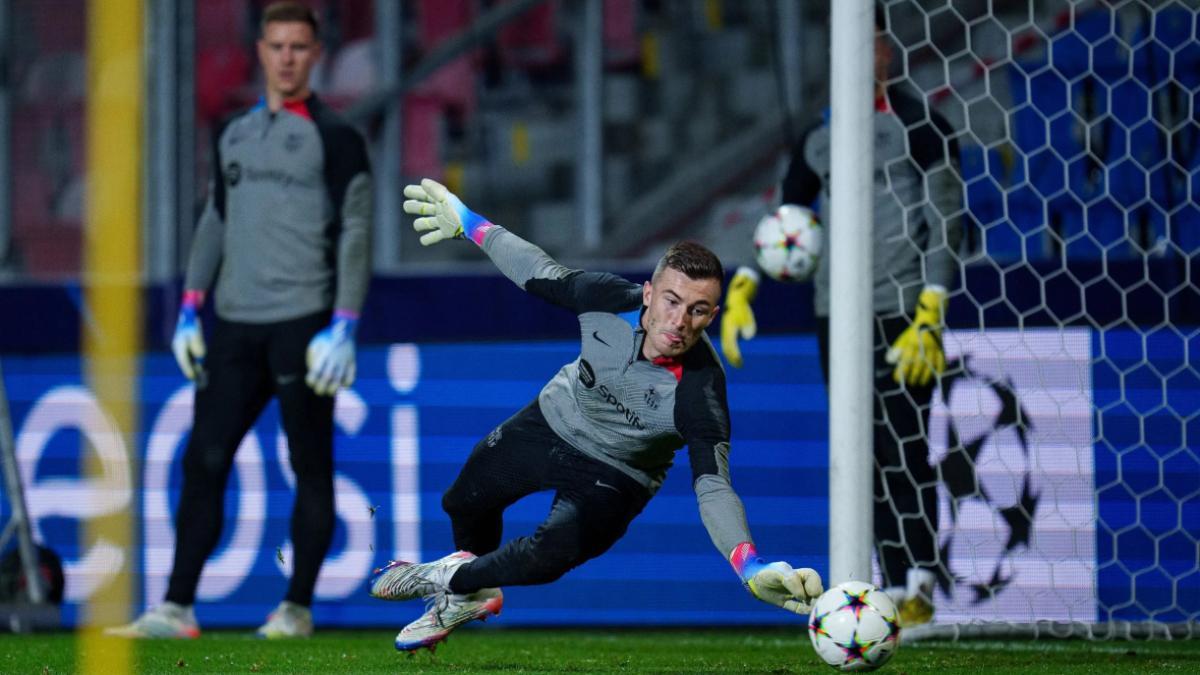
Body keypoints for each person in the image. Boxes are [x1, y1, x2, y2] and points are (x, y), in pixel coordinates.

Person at [368, 179, 823, 653]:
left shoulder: (701, 390)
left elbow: (713, 486)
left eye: (698, 310)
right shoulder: (607, 299)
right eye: (671, 301)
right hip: (550, 421)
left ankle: (454, 578)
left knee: (547, 556)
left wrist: (748, 565)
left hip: (616, 474)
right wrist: (469, 224)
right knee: (463, 502)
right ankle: (470, 592)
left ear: (712, 315)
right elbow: (537, 270)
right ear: (648, 293)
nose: (680, 322)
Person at [107, 1, 372, 639]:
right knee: (204, 459)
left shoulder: (337, 138)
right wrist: (190, 310)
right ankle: (175, 608)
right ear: (260, 50)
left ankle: (296, 609)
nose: (286, 58)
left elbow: (357, 231)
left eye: (298, 47)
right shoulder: (233, 134)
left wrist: (344, 323)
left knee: (308, 461)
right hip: (232, 322)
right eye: (276, 46)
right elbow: (215, 222)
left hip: (303, 322)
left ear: (316, 54)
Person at [721, 6, 962, 627]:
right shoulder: (820, 134)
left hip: (904, 310)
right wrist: (745, 282)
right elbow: (788, 220)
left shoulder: (921, 124)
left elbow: (947, 217)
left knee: (904, 443)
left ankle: (919, 581)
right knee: (862, 449)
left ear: (886, 51)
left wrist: (933, 305)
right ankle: (878, 576)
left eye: (875, 43)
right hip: (836, 314)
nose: (864, 54)